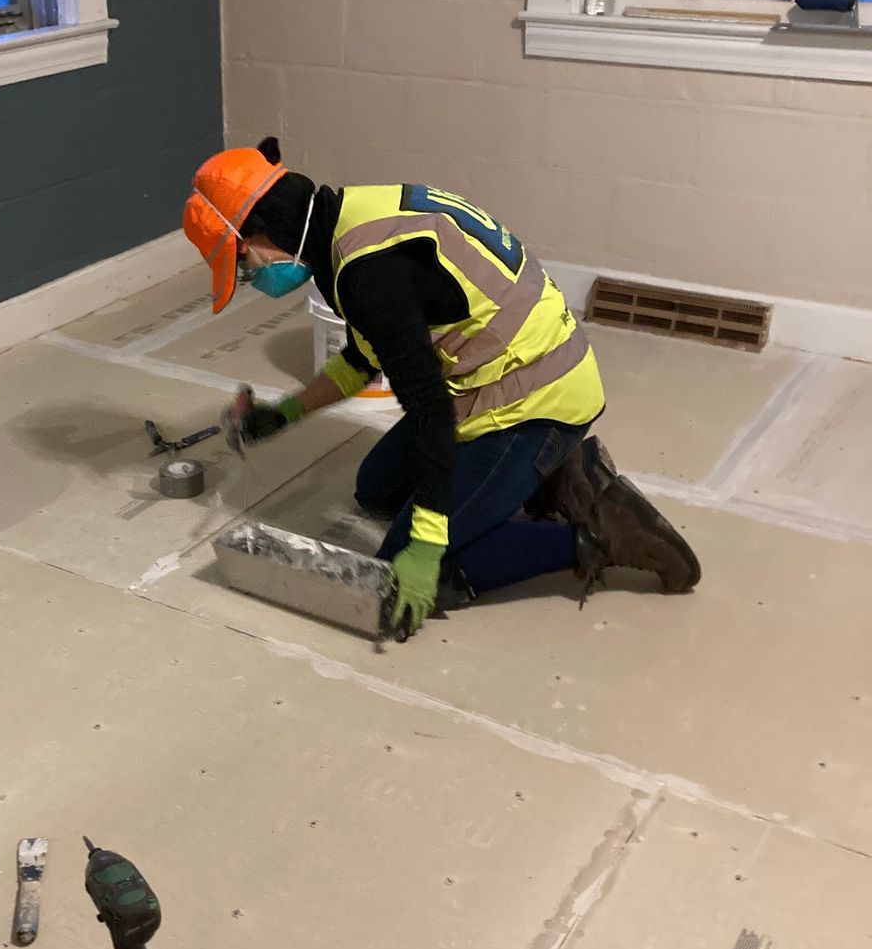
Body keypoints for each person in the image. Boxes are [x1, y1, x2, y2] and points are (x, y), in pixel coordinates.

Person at [181, 137, 700, 638]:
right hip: (492, 386)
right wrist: (285, 413)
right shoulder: (349, 226)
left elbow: (428, 412)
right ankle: (548, 478)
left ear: (262, 234)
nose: (253, 276)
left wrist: (426, 548)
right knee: (376, 489)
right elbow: (366, 357)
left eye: (244, 265)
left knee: (402, 573)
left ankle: (598, 536)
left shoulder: (367, 276)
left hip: (536, 400)